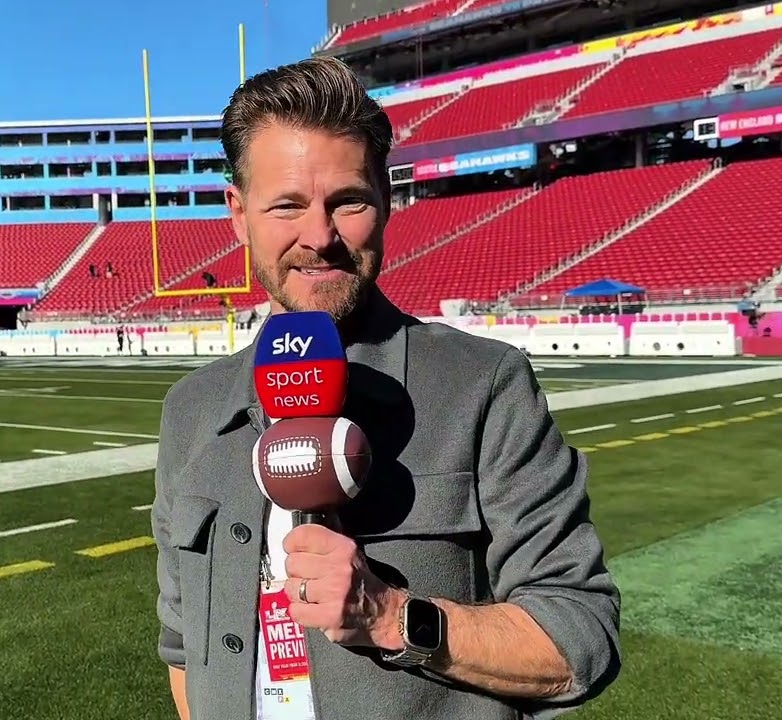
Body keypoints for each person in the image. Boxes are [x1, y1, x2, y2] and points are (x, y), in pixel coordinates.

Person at [150, 56, 620, 720]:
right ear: (238, 212)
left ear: (387, 202)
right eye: (287, 205)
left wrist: (389, 614)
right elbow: (183, 651)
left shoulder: (483, 386)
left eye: (348, 201)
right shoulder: (191, 410)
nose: (320, 237)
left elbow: (581, 638)